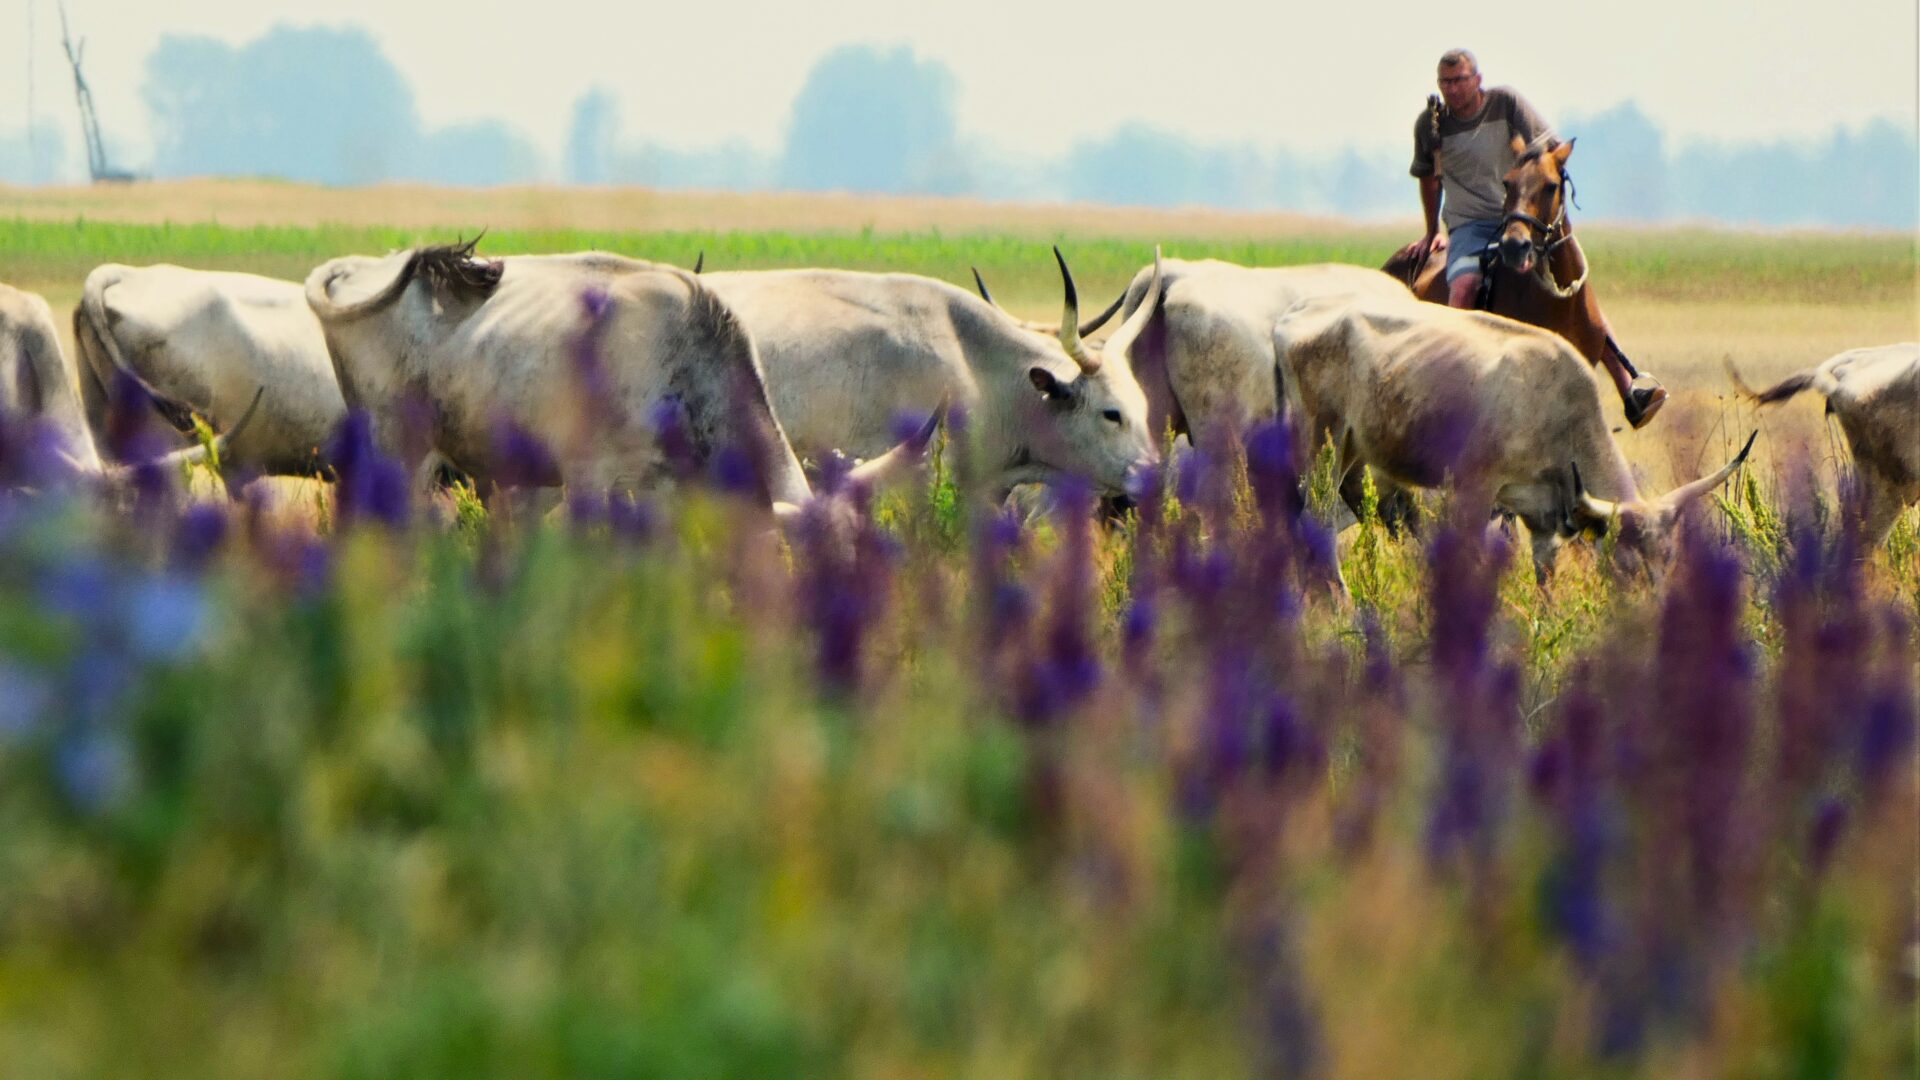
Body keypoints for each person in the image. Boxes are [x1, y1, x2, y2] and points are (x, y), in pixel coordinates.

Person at [1408, 48, 1552, 309]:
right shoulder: (1431, 124)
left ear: (1477, 79)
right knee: (1464, 287)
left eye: (1460, 80)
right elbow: (1429, 181)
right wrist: (1432, 232)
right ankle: (1455, 347)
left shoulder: (1506, 103)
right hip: (1470, 226)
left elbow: (1546, 154)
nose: (1452, 89)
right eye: (1445, 82)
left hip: (1518, 220)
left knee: (1569, 276)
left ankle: (1608, 348)